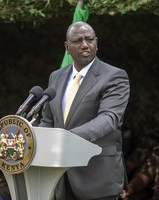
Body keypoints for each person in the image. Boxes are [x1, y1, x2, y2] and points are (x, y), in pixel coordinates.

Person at [39, 21, 130, 200]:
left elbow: (109, 118)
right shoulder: (56, 77)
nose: (85, 45)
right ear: (67, 47)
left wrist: (67, 138)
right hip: (60, 179)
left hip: (97, 179)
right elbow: (48, 121)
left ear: (97, 43)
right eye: (78, 40)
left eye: (89, 39)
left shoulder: (114, 76)